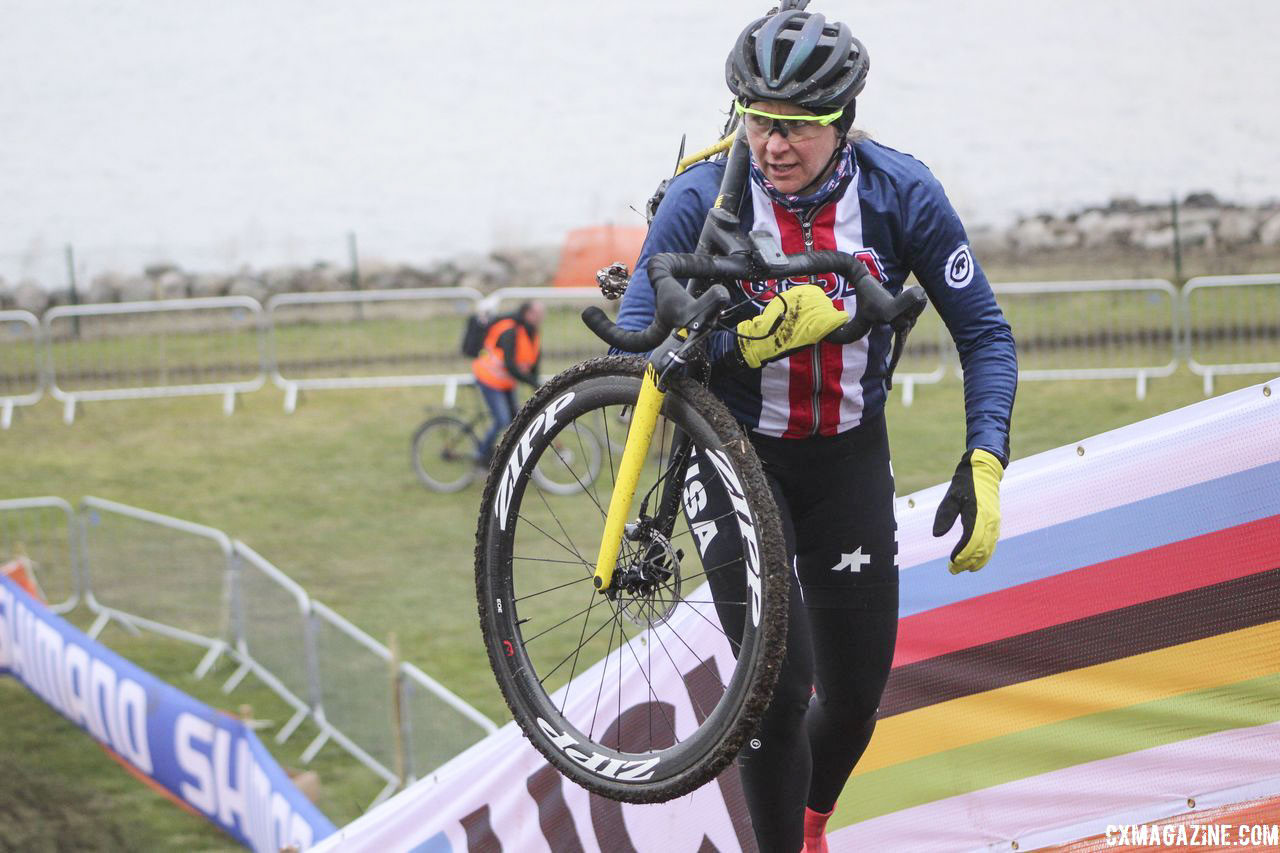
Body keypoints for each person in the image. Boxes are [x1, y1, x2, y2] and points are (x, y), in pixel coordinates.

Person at [614, 6, 1017, 851]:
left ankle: (811, 825)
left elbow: (985, 333)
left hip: (846, 456)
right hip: (734, 451)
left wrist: (985, 456)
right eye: (760, 122)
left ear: (843, 120)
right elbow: (643, 320)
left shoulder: (902, 192)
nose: (773, 146)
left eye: (798, 127)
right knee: (775, 680)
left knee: (858, 691)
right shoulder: (703, 193)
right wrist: (739, 335)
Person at [471, 300, 544, 465]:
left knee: (516, 420)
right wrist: (532, 382)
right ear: (528, 314)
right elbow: (511, 365)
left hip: (505, 382)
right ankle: (481, 455)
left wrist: (537, 384)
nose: (542, 317)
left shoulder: (531, 332)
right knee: (502, 419)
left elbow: (533, 362)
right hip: (489, 378)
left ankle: (508, 459)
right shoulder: (509, 331)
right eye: (538, 313)